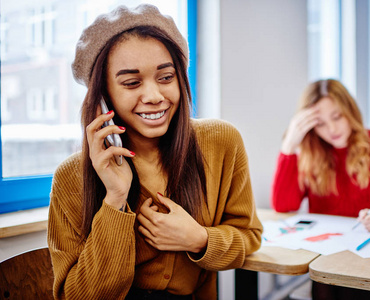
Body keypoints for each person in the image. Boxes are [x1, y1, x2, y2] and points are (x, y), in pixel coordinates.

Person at [47, 4, 262, 300]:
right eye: (132, 83)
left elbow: (248, 237)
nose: (154, 97)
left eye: (165, 77)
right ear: (103, 95)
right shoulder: (70, 177)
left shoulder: (221, 142)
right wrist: (115, 200)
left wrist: (198, 239)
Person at [271, 79, 370, 299]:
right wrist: (289, 146)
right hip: (330, 260)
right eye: (321, 124)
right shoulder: (311, 154)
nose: (332, 129)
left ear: (349, 111)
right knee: (331, 282)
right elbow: (284, 205)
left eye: (337, 117)